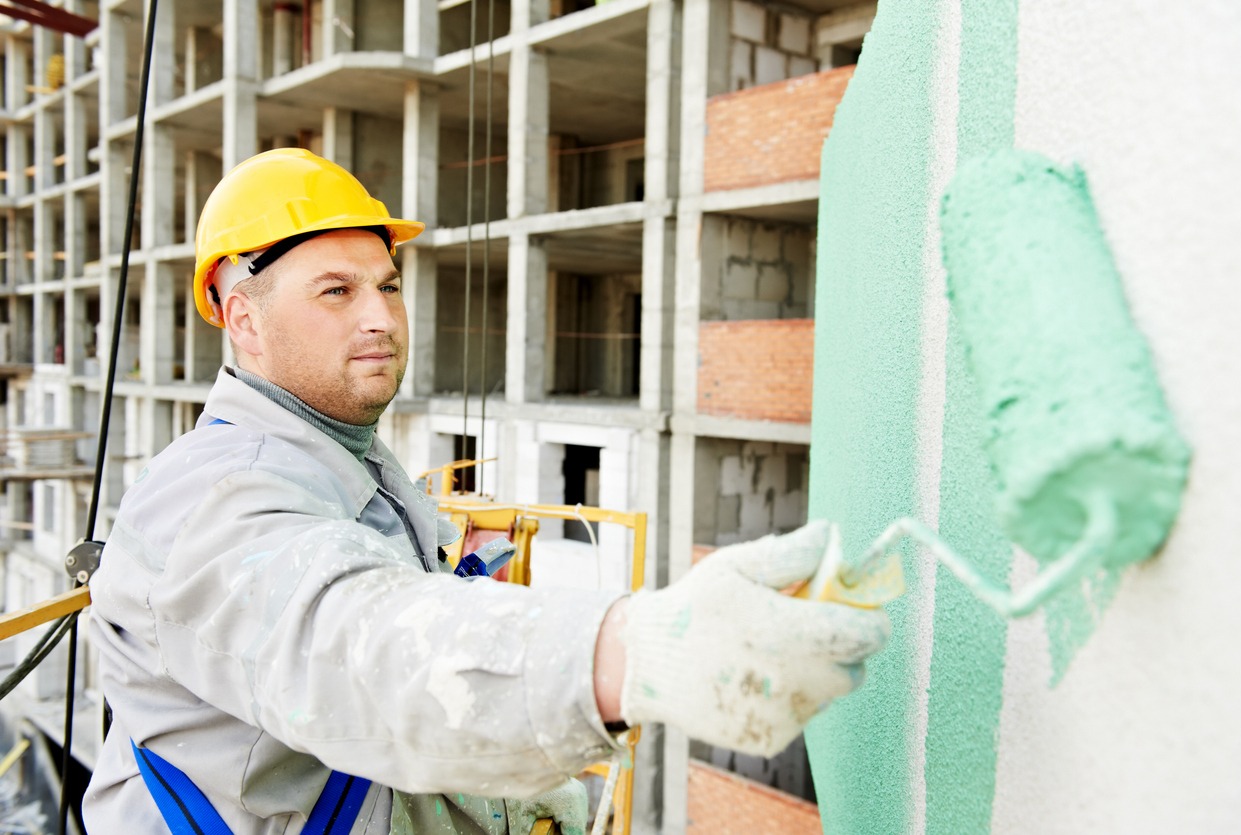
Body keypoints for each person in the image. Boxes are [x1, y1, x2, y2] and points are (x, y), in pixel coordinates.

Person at [83, 148, 889, 834]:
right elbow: (364, 652)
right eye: (337, 291)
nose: (382, 318)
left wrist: (518, 796)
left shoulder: (342, 459)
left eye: (388, 286)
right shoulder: (213, 497)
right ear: (242, 318)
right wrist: (633, 651)